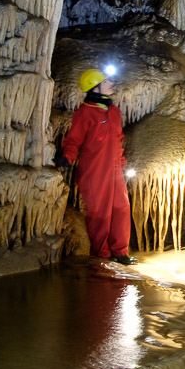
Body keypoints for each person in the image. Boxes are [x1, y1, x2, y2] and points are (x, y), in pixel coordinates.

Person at [61, 67, 136, 265]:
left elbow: (118, 139)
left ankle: (120, 252)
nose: (111, 84)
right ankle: (101, 254)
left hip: (114, 171)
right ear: (95, 88)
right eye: (106, 82)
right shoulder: (85, 113)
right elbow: (74, 139)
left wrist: (121, 163)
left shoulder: (113, 112)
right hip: (94, 171)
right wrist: (67, 157)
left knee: (121, 208)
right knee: (100, 213)